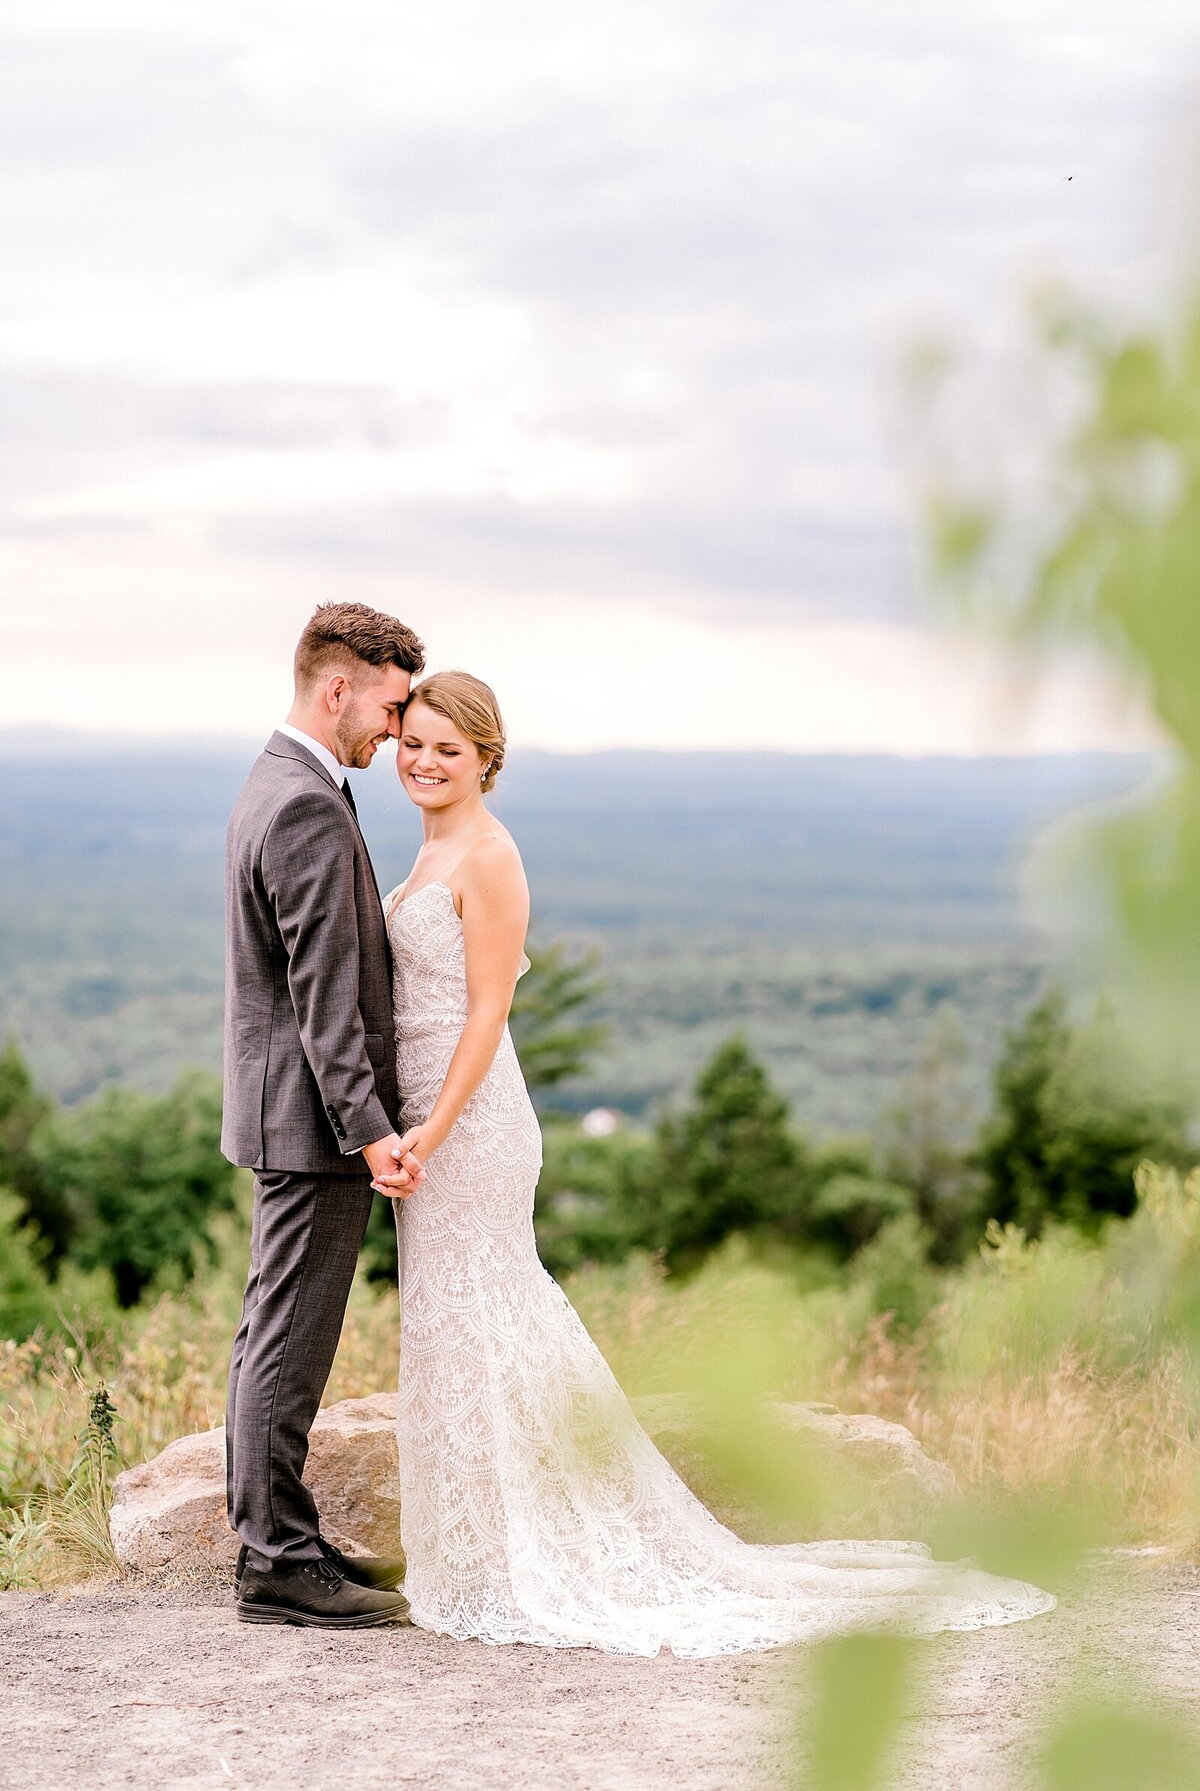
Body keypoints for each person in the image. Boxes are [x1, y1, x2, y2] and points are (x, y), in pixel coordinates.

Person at [381, 670, 1056, 1655]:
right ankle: (475, 1553)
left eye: (449, 747)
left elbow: (487, 1012)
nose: (426, 761)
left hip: (467, 1125)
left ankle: (533, 1552)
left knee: (486, 1317)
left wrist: (430, 1132)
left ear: (488, 756)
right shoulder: (431, 840)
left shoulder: (489, 853)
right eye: (415, 743)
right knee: (454, 1326)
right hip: (419, 1119)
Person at [222, 601, 427, 1629]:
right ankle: (276, 1561)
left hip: (291, 1114)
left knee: (277, 1328)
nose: (393, 730)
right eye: (390, 706)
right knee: (289, 1340)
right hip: (312, 1121)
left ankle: (286, 1535)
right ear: (335, 684)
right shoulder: (304, 802)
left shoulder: (283, 778)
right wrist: (370, 1126)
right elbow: (322, 993)